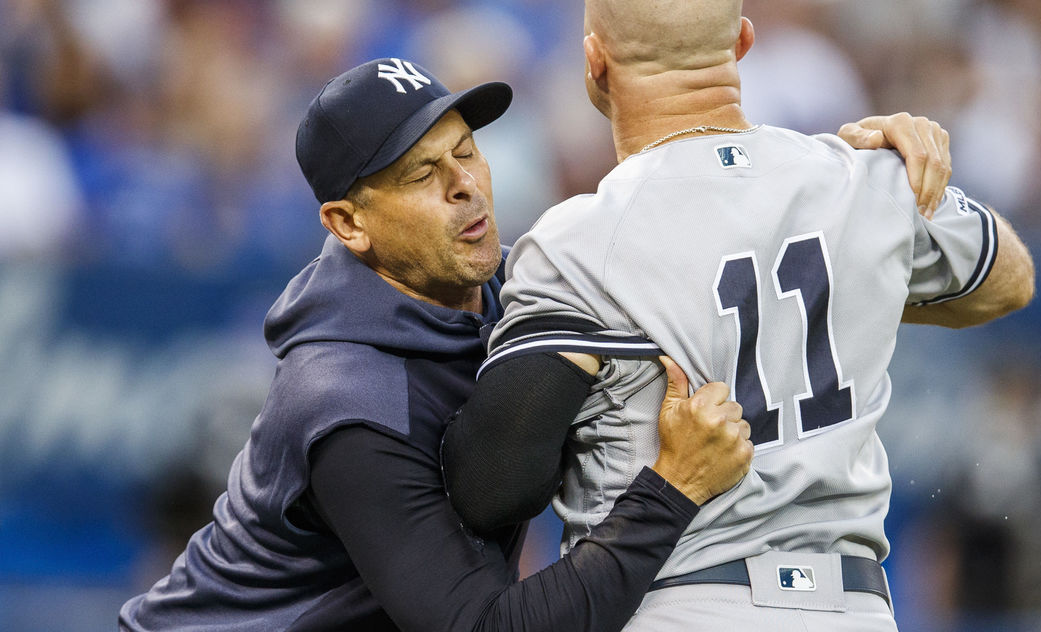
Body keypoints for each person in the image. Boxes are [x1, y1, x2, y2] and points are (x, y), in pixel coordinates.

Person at [116, 56, 945, 631]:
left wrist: (857, 172)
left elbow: (724, 258)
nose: (467, 184)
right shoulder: (348, 399)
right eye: (419, 175)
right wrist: (671, 488)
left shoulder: (521, 288)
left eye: (465, 150)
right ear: (348, 224)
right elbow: (484, 625)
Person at [441, 0, 1036, 632]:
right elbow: (1011, 277)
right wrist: (862, 273)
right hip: (852, 607)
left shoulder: (581, 239)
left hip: (676, 600)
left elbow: (490, 487)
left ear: (594, 61)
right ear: (743, 43)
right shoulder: (862, 184)